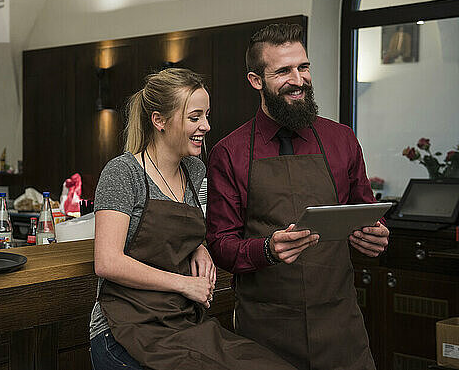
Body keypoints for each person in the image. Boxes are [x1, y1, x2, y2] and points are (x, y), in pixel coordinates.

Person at [205, 23, 390, 370]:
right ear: (256, 80)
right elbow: (219, 245)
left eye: (303, 67)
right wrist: (266, 249)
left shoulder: (341, 139)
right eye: (283, 71)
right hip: (266, 333)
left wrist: (374, 234)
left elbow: (366, 212)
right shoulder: (229, 152)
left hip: (340, 327)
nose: (299, 79)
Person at [90, 68, 296, 370]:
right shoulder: (123, 173)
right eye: (195, 117)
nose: (206, 126)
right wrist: (184, 285)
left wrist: (199, 247)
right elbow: (107, 262)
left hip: (178, 321)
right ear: (159, 121)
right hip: (122, 327)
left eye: (207, 115)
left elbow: (187, 229)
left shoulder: (195, 170)